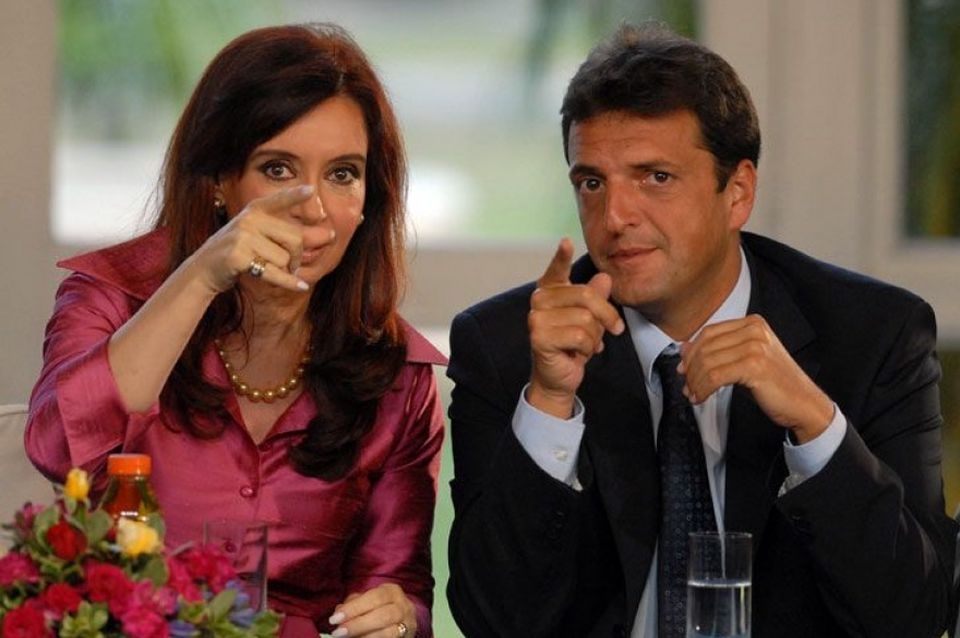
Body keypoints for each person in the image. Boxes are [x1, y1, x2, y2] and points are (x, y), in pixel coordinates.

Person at [446, 22, 958, 638]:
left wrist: (816, 424)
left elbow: (914, 619)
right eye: (592, 182)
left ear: (737, 192)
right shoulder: (508, 346)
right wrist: (550, 402)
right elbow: (492, 622)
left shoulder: (874, 335)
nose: (615, 216)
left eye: (655, 177)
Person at [26, 23, 444, 638]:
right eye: (278, 169)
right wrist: (204, 274)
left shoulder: (397, 376)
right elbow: (57, 450)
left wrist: (400, 617)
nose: (314, 209)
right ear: (219, 181)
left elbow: (401, 587)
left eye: (343, 174)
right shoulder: (110, 297)